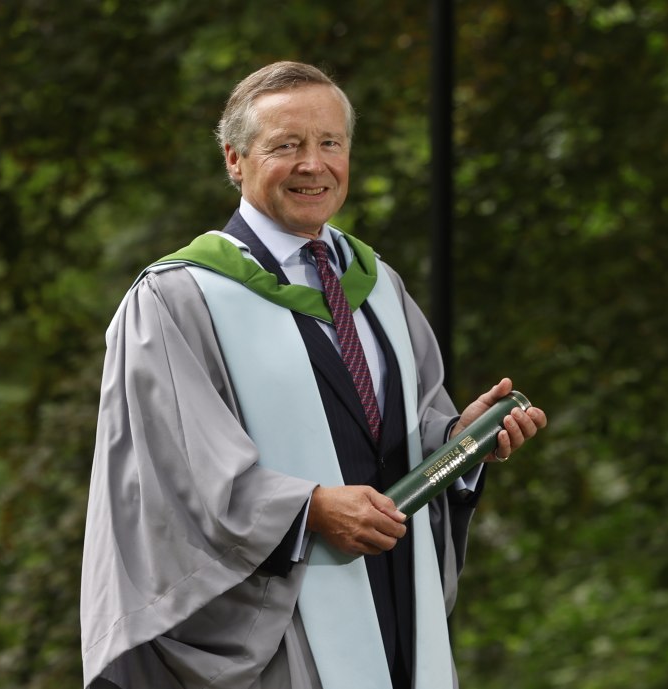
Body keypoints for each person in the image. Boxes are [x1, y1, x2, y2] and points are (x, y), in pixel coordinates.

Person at [80, 61, 547, 689]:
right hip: (279, 625)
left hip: (397, 610)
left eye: (330, 143)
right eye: (287, 145)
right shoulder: (178, 299)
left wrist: (456, 443)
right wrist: (309, 509)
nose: (313, 164)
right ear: (234, 159)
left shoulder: (377, 285)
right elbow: (178, 473)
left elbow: (400, 434)